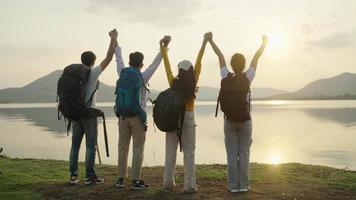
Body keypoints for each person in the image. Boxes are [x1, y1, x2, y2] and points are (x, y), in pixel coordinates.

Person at [206, 32, 268, 193]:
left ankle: (233, 186)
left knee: (232, 154)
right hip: (246, 120)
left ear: (232, 65)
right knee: (244, 153)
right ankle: (244, 186)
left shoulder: (226, 75)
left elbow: (219, 56)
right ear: (243, 64)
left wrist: (211, 41)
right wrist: (264, 43)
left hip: (229, 120)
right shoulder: (248, 76)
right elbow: (257, 57)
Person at [160, 33, 208, 193]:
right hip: (188, 116)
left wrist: (164, 47)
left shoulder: (173, 82)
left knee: (170, 151)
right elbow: (199, 60)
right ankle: (189, 186)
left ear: (179, 71)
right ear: (191, 71)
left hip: (173, 117)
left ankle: (168, 184)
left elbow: (166, 66)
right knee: (189, 152)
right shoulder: (195, 78)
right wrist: (204, 42)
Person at [114, 32, 163, 190]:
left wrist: (115, 40)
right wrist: (164, 47)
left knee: (122, 147)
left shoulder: (122, 72)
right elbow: (155, 64)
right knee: (137, 148)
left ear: (129, 62)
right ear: (141, 64)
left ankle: (120, 179)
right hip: (137, 118)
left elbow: (118, 58)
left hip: (122, 116)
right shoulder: (143, 76)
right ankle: (135, 180)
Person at [69, 29, 118, 186]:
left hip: (75, 114)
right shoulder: (91, 73)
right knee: (91, 146)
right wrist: (114, 38)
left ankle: (73, 176)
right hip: (88, 115)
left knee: (75, 146)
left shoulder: (73, 75)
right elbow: (109, 58)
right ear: (93, 62)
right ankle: (90, 176)